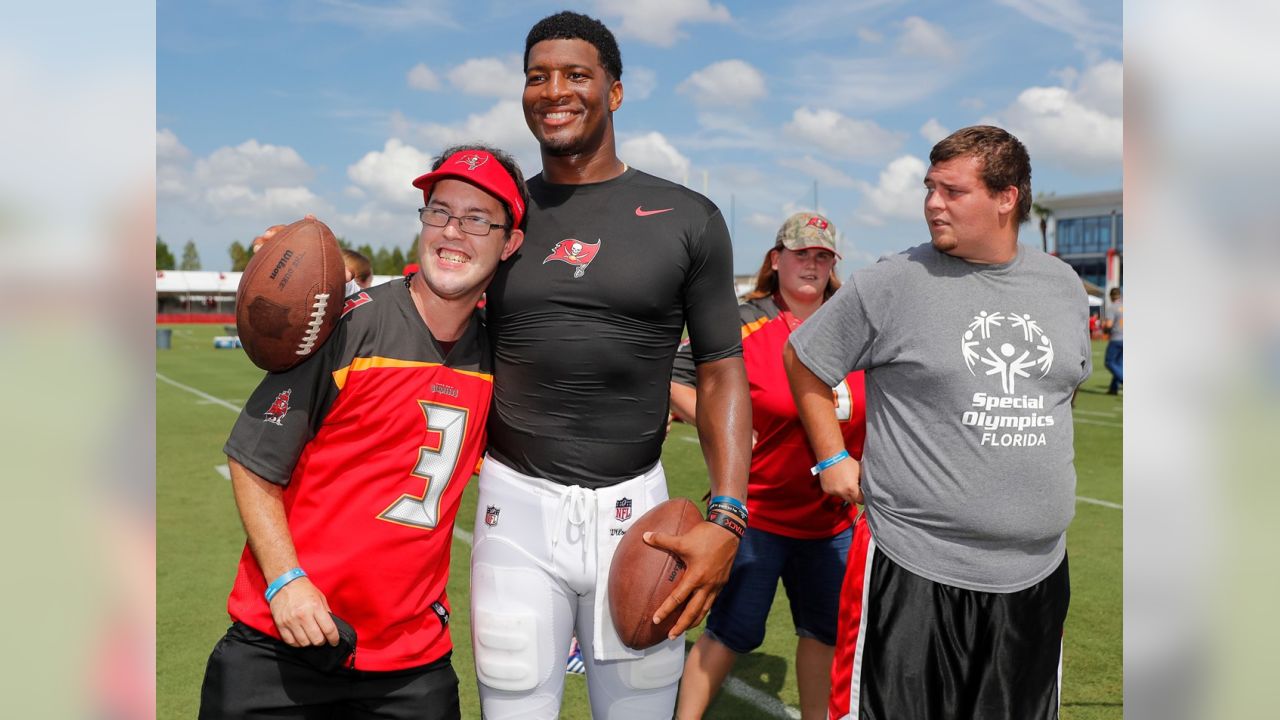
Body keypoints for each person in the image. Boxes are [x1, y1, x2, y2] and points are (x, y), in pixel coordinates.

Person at [469, 11, 751, 720]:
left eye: (575, 75)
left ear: (615, 92)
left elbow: (720, 368)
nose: (553, 90)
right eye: (537, 76)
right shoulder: (499, 213)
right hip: (515, 511)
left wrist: (727, 514)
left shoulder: (688, 216)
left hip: (641, 515)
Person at [198, 144, 528, 719]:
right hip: (283, 639)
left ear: (511, 242)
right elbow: (253, 462)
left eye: (478, 219)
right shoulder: (347, 327)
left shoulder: (504, 356)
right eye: (440, 212)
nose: (454, 231)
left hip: (410, 663)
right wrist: (285, 583)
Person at [784, 126, 1092, 720]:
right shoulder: (893, 281)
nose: (932, 203)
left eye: (952, 191)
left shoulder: (1063, 288)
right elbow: (804, 359)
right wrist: (829, 458)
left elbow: (1061, 393)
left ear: (1007, 198)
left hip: (1036, 577)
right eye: (930, 188)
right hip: (912, 569)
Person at [670, 212, 865, 720]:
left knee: (824, 632)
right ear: (776, 260)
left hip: (832, 522)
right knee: (730, 632)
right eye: (802, 254)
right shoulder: (743, 320)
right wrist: (719, 424)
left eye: (823, 256)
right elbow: (671, 378)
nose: (812, 264)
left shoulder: (856, 323)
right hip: (753, 516)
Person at [1103, 287, 1123, 394]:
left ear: (1111, 296)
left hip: (1116, 338)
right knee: (1119, 364)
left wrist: (1104, 328)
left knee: (1109, 362)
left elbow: (1109, 325)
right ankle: (1113, 389)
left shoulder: (1112, 308)